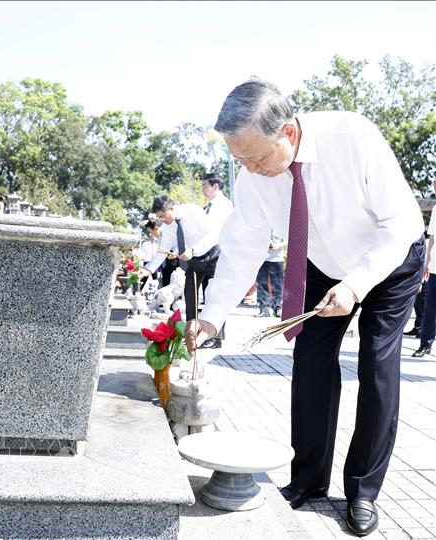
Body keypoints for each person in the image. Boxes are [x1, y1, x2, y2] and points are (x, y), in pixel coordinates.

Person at [185, 80, 424, 537]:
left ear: (289, 134)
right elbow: (245, 244)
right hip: (321, 263)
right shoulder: (254, 171)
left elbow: (402, 222)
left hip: (389, 260)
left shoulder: (352, 136)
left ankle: (363, 491)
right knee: (311, 363)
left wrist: (356, 285)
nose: (250, 169)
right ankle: (309, 480)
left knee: (376, 364)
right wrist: (212, 316)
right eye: (240, 160)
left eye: (256, 157)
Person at [151, 195, 221, 325]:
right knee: (190, 295)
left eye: (162, 216)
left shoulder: (193, 211)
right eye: (158, 217)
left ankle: (214, 337)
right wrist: (148, 269)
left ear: (171, 208)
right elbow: (163, 248)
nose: (161, 220)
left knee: (213, 296)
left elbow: (212, 235)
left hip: (213, 254)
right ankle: (191, 331)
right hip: (194, 260)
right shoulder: (168, 224)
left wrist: (193, 250)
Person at [200, 172, 234, 348]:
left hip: (219, 253)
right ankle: (208, 334)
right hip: (209, 254)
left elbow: (216, 232)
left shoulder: (223, 205)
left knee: (215, 294)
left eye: (205, 185)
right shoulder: (211, 206)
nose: (203, 189)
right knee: (208, 293)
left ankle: (215, 337)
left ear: (215, 186)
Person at [413, 182, 436, 357]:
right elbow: (432, 238)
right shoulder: (435, 209)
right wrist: (427, 263)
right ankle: (425, 344)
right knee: (430, 307)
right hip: (435, 267)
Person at [255, 230, 285, 317]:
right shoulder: (262, 225)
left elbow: (287, 238)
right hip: (262, 259)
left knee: (277, 286)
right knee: (261, 285)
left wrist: (278, 245)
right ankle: (263, 310)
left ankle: (277, 309)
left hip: (277, 259)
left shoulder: (279, 225)